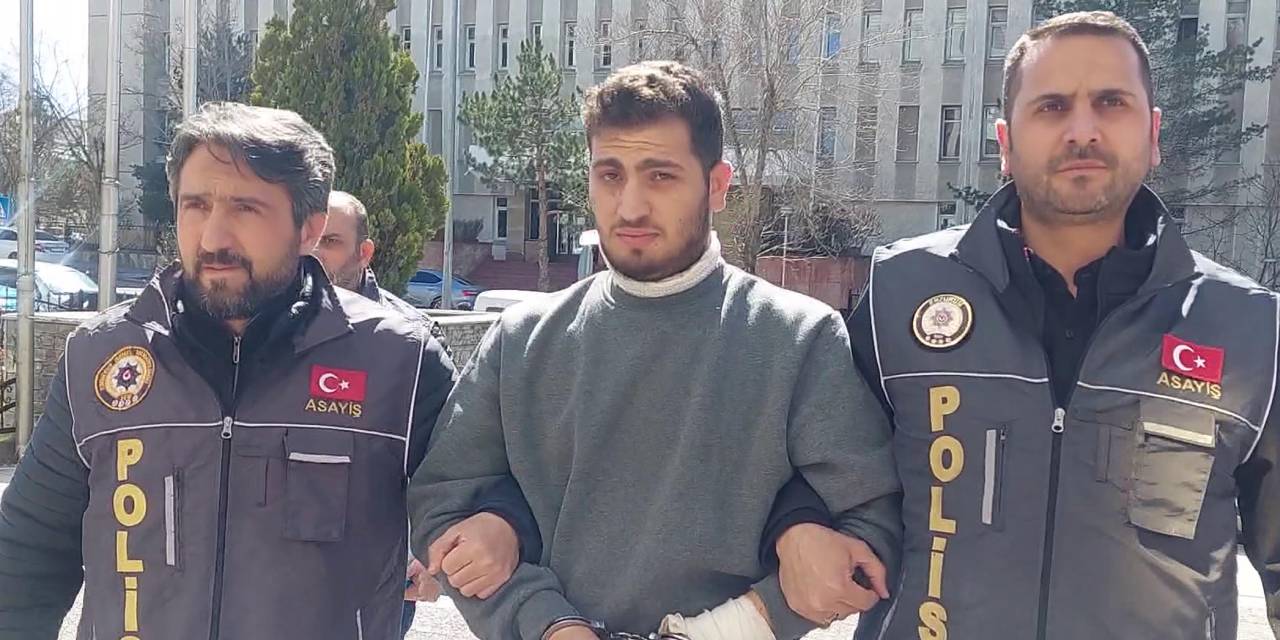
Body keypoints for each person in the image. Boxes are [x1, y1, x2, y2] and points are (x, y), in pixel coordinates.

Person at [764, 12, 1280, 640]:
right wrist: (794, 526)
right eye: (1052, 106)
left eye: (1111, 103)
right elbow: (814, 457)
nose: (1082, 130)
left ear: (1153, 134)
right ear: (1005, 144)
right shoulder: (902, 293)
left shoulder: (1250, 327)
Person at [408, 61, 901, 640]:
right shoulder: (520, 339)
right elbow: (442, 505)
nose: (630, 206)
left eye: (660, 176)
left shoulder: (800, 338)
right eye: (610, 175)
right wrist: (548, 625)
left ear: (717, 185)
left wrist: (736, 624)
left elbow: (873, 520)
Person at [0, 102, 512, 640]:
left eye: (245, 209)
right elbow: (28, 554)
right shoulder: (100, 356)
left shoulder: (400, 361)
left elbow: (482, 493)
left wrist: (500, 523)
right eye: (196, 205)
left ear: (309, 228)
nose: (213, 238)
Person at [314, 190, 539, 638]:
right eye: (310, 240)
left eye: (331, 242)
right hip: (278, 579)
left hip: (377, 587)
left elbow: (456, 464)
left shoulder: (410, 346)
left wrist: (431, 555)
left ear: (364, 253)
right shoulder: (264, 333)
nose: (315, 256)